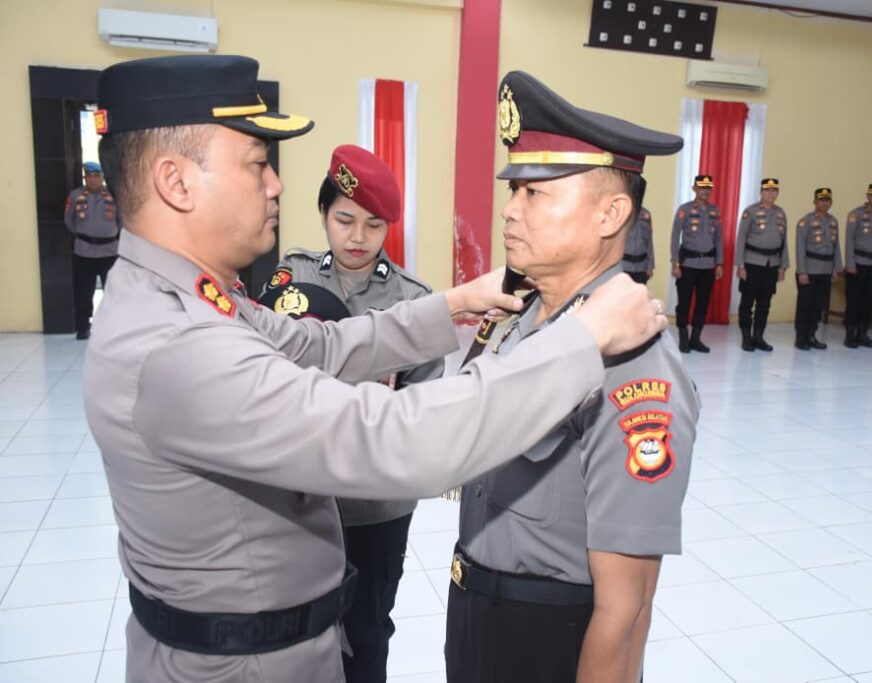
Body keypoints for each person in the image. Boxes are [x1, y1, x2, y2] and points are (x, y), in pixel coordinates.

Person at [82, 54, 666, 683]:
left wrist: (453, 303)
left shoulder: (192, 301)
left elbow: (321, 346)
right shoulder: (181, 346)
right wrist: (582, 339)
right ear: (176, 183)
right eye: (255, 163)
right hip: (241, 666)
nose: (275, 184)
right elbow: (394, 439)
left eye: (535, 192)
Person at [445, 70, 700, 683]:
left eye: (535, 193)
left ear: (611, 213)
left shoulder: (633, 363)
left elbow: (625, 609)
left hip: (549, 638)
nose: (510, 209)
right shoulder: (521, 316)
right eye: (514, 190)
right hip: (475, 609)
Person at [260, 144, 443, 682]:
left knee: (367, 632)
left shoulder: (412, 300)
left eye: (373, 224)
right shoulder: (292, 280)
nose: (358, 237)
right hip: (298, 497)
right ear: (323, 215)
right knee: (297, 630)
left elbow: (425, 406)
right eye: (344, 220)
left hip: (375, 504)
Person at [64, 160, 119, 339]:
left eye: (96, 176)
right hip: (84, 252)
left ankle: (113, 328)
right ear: (85, 177)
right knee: (84, 292)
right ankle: (83, 327)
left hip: (109, 251)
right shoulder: (75, 196)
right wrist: (85, 234)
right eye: (89, 176)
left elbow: (123, 220)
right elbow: (69, 220)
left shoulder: (114, 195)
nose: (93, 180)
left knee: (112, 291)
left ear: (102, 177)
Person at [670, 175, 723, 353]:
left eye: (708, 188)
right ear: (694, 189)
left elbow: (719, 239)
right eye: (701, 188)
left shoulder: (715, 211)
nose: (704, 191)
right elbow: (675, 236)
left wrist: (720, 263)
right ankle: (683, 338)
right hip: (687, 265)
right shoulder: (684, 210)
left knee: (702, 304)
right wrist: (675, 262)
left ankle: (695, 338)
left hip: (707, 266)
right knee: (684, 304)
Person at [735, 178, 788, 352]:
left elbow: (784, 242)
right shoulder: (750, 212)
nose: (770, 194)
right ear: (761, 192)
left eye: (774, 191)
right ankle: (746, 337)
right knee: (747, 302)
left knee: (765, 303)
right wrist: (740, 265)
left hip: (772, 264)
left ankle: (758, 336)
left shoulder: (781, 213)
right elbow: (741, 239)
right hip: (752, 262)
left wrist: (783, 266)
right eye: (767, 190)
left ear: (777, 193)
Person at [794, 187, 842, 350]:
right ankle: (801, 338)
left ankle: (811, 335)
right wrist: (802, 271)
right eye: (821, 200)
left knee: (818, 306)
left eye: (827, 200)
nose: (824, 203)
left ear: (831, 202)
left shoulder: (833, 222)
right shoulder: (805, 222)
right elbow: (800, 248)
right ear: (815, 202)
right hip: (809, 269)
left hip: (826, 270)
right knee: (805, 306)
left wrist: (836, 268)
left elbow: (836, 247)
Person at [843, 182, 872, 348]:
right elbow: (849, 240)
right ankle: (850, 334)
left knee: (869, 301)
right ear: (868, 196)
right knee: (854, 300)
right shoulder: (856, 214)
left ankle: (863, 334)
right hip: (858, 263)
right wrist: (850, 263)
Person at [620, 206, 654, 284]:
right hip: (624, 266)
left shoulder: (646, 214)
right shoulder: (622, 212)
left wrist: (650, 266)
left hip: (641, 267)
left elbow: (649, 241)